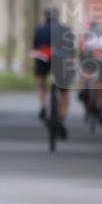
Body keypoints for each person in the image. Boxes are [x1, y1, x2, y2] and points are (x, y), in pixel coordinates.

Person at [32, 8, 76, 137]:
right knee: (64, 92)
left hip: (44, 59)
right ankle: (62, 119)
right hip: (61, 60)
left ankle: (42, 107)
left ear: (45, 17)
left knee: (40, 79)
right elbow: (71, 51)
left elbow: (35, 50)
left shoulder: (39, 29)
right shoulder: (66, 30)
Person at [79, 21, 102, 126]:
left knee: (84, 76)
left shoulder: (88, 39)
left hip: (90, 63)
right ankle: (101, 110)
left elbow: (83, 54)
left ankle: (83, 92)